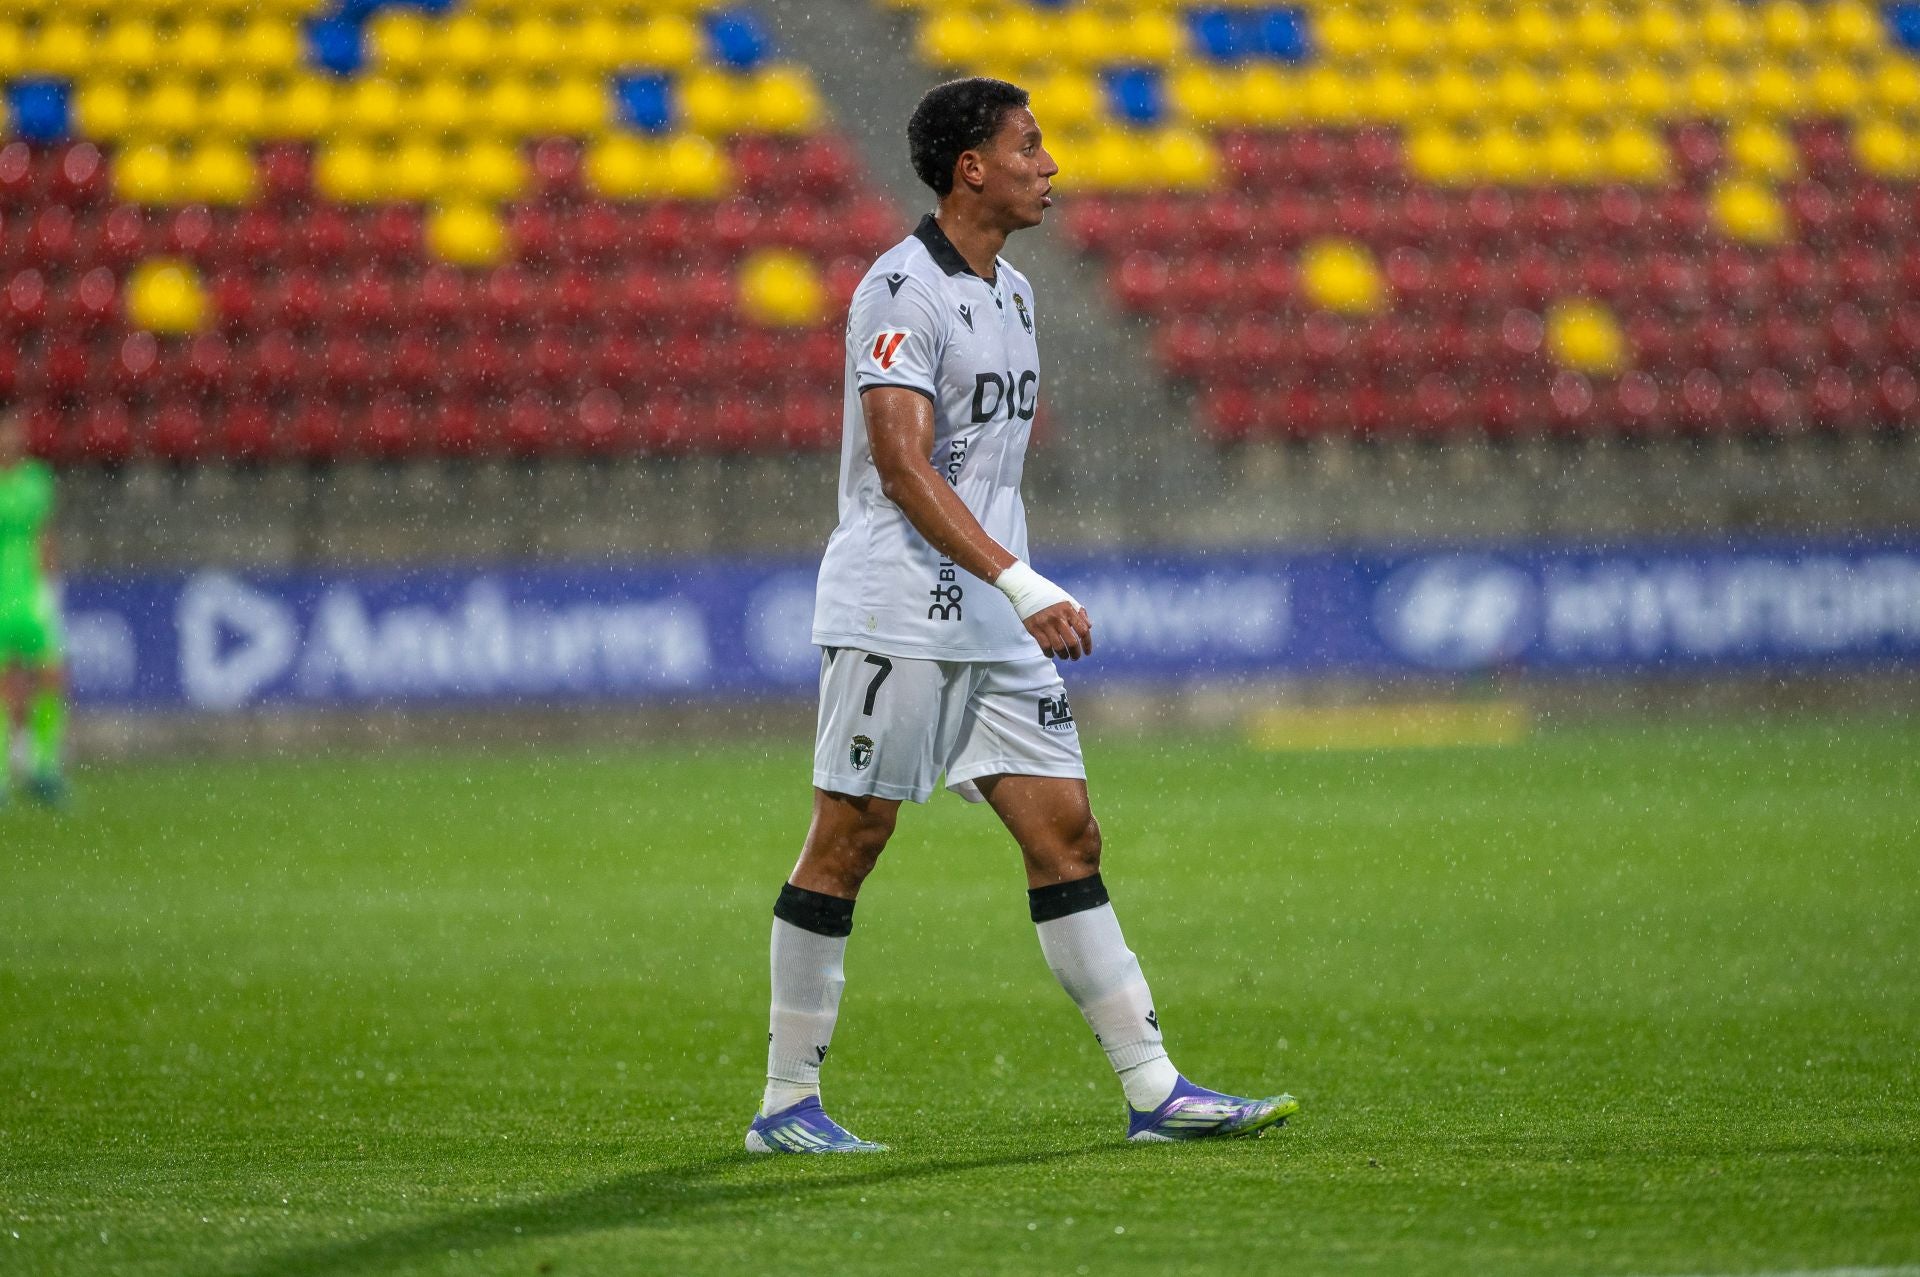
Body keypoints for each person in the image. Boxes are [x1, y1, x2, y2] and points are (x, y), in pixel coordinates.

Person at [745, 78, 1295, 1154]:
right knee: (850, 836)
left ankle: (1154, 1086)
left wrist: (1010, 581)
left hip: (993, 612)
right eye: (1030, 147)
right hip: (899, 606)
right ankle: (783, 1104)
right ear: (972, 170)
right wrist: (1021, 578)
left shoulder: (1017, 292)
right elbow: (902, 467)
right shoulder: (899, 291)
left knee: (1066, 829)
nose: (1051, 165)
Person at [0, 409, 68, 808]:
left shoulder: (36, 481)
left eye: (13, 434)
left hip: (30, 595)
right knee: (6, 685)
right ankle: (6, 773)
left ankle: (44, 767)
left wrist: (50, 592)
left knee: (51, 675)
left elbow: (44, 538)